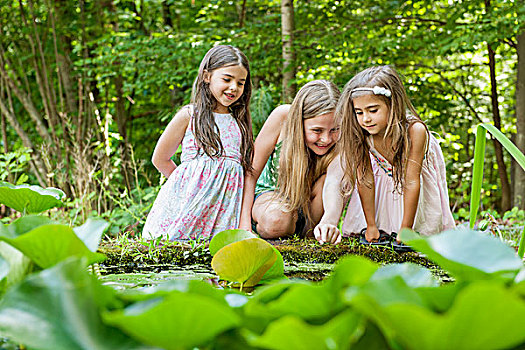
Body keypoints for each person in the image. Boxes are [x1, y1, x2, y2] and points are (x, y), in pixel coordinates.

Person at [314, 66, 455, 245]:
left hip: (413, 183)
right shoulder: (361, 134)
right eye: (359, 112)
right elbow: (365, 178)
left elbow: (412, 181)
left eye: (373, 110)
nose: (366, 119)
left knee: (420, 236)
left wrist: (406, 229)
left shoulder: (415, 131)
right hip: (382, 180)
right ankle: (381, 230)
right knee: (376, 233)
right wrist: (371, 224)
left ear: (392, 105)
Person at [142, 45, 254, 241]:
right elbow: (160, 158)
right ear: (207, 76)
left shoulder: (240, 124)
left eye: (240, 82)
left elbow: (245, 173)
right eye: (227, 79)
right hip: (188, 205)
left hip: (223, 212)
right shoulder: (190, 115)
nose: (234, 87)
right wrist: (185, 183)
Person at [239, 80, 341, 239]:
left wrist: (330, 221)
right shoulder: (283, 117)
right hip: (270, 197)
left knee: (329, 179)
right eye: (317, 130)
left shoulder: (344, 136)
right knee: (276, 221)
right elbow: (250, 173)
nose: (326, 139)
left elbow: (337, 183)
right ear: (299, 122)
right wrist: (244, 224)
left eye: (334, 129)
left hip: (310, 207)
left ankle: (311, 236)